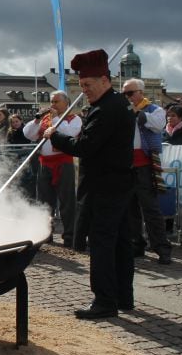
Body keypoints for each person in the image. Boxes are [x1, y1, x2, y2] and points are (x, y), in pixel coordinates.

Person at [44, 49, 135, 319]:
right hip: (118, 183)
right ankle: (123, 296)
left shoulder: (106, 109)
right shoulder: (118, 103)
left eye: (88, 85)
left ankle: (105, 301)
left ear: (105, 80)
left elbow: (85, 146)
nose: (85, 91)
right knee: (121, 242)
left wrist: (55, 136)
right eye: (81, 86)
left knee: (103, 244)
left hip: (104, 186)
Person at [23, 91, 82, 247]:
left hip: (64, 162)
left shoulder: (74, 118)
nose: (52, 105)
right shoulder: (45, 119)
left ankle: (70, 235)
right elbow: (28, 134)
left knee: (67, 200)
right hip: (45, 162)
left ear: (66, 103)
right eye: (51, 101)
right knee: (44, 200)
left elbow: (69, 133)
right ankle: (45, 233)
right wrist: (37, 120)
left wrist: (55, 118)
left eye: (56, 101)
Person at [123, 78, 172, 265]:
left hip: (144, 164)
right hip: (127, 164)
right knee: (130, 208)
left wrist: (137, 113)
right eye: (124, 94)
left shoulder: (155, 109)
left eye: (130, 93)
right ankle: (137, 244)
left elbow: (157, 125)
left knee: (150, 208)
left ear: (140, 93)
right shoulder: (125, 111)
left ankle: (161, 247)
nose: (127, 97)